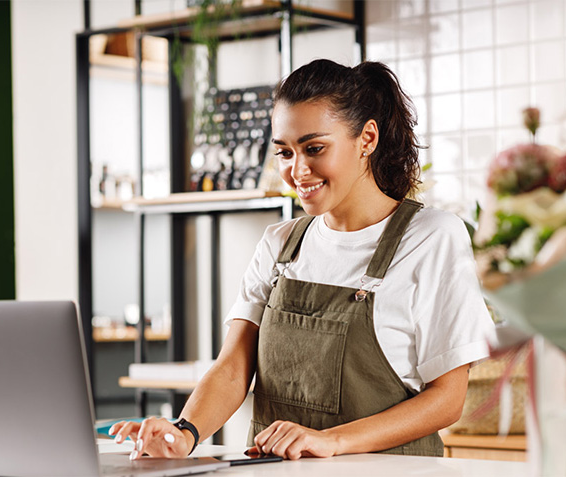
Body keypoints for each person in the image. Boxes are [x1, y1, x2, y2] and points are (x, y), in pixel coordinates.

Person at [110, 59, 495, 461]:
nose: (297, 171)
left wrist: (331, 440)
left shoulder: (431, 237)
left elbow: (448, 400)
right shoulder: (280, 243)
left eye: (314, 149)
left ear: (366, 138)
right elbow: (232, 369)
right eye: (284, 152)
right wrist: (183, 434)